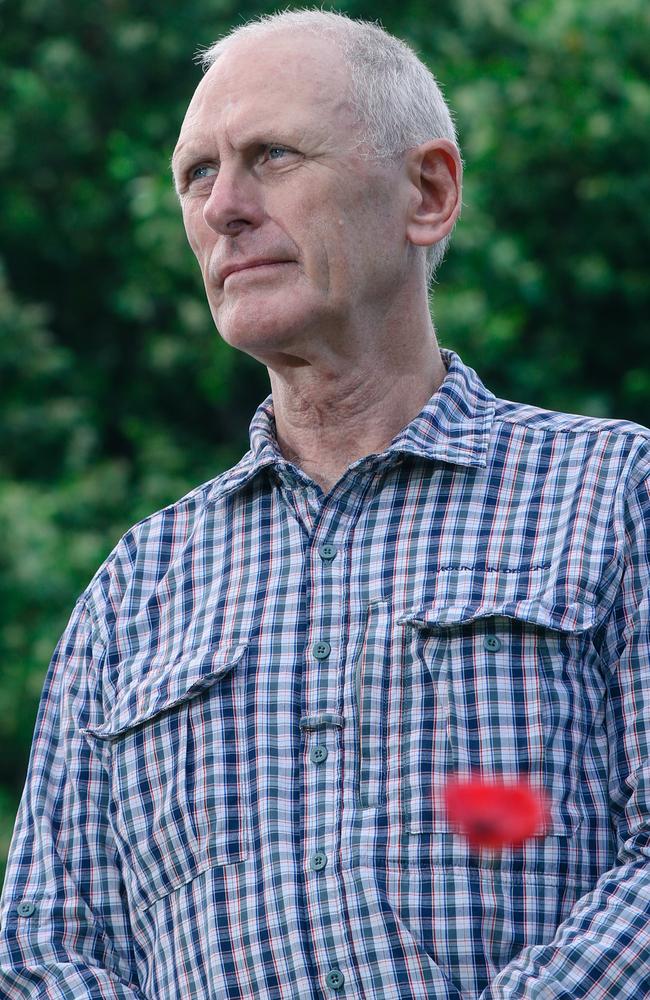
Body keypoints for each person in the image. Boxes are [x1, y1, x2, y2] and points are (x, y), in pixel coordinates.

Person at [1, 7, 649, 998]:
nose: (222, 207)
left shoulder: (615, 495)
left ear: (425, 192)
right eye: (195, 174)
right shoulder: (136, 589)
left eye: (271, 156)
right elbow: (48, 947)